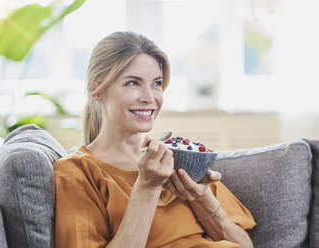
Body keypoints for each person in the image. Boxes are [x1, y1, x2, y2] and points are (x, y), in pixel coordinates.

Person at [54, 31, 256, 248]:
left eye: (157, 83)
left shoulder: (178, 157)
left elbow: (245, 244)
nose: (150, 98)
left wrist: (200, 197)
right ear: (96, 90)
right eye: (133, 83)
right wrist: (147, 188)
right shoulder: (78, 172)